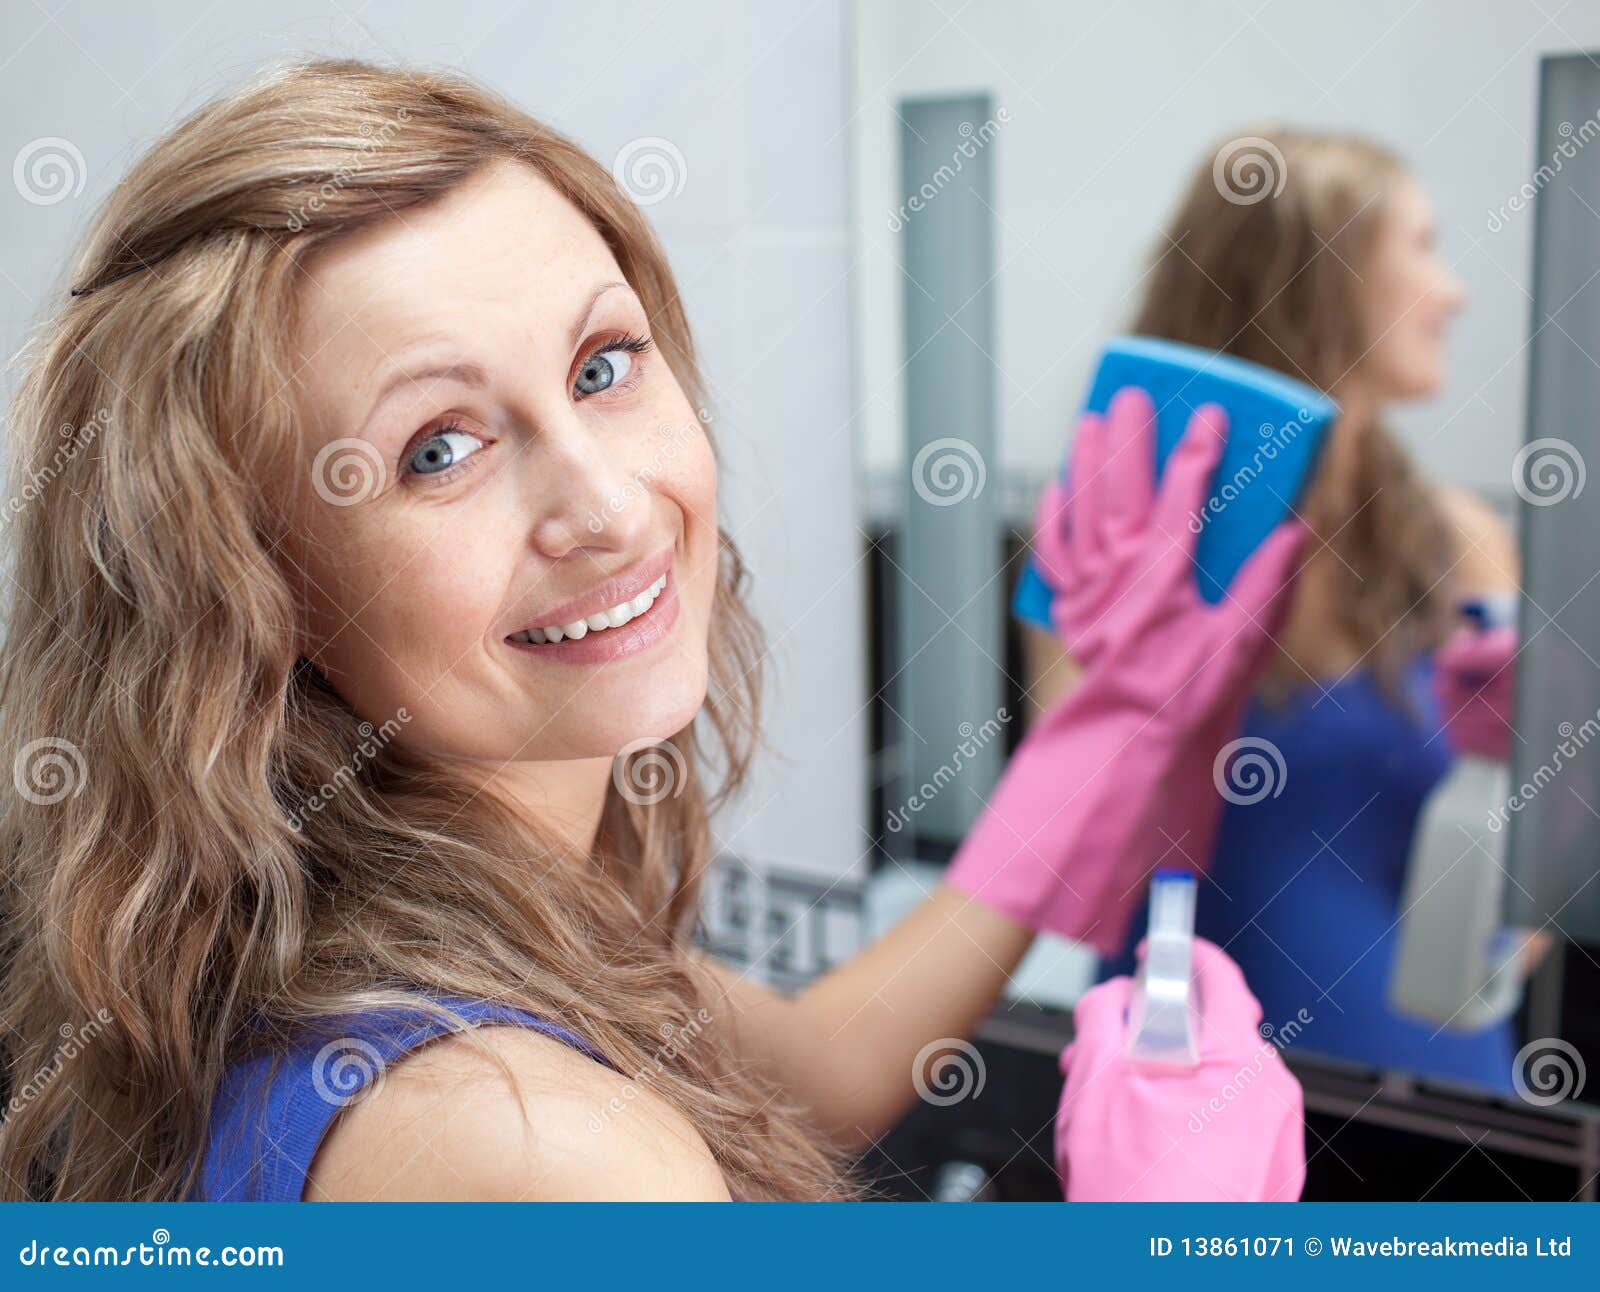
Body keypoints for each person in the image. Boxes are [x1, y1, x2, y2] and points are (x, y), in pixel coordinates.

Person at [0, 58, 1301, 1202]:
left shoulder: (336, 935)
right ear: (249, 585)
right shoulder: (537, 1147)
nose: (613, 510)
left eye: (601, 367)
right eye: (439, 449)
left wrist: (1100, 725)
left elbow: (821, 1073)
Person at [1027, 127, 1540, 1092]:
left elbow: (1536, 889)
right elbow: (1066, 872)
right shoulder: (1106, 544)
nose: (1454, 292)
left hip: (1445, 1099)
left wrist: (1545, 789)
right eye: (1422, 248)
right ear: (1323, 282)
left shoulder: (1459, 545)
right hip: (1183, 1108)